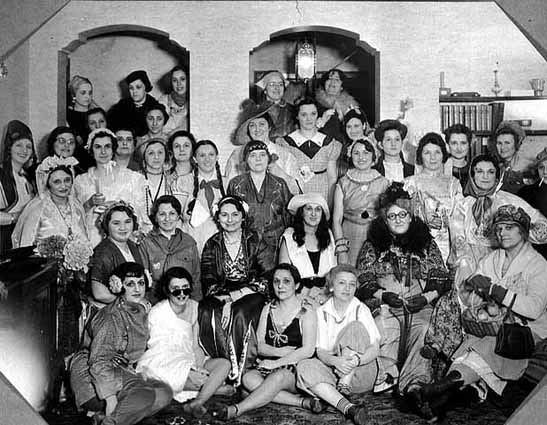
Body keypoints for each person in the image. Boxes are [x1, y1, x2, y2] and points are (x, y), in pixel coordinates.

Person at [418, 205, 547, 420]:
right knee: (475, 342)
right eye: (499, 229)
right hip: (491, 324)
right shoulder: (492, 259)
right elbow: (471, 291)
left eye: (509, 228)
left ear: (523, 231)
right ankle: (447, 396)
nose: (502, 233)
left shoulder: (539, 265)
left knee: (486, 344)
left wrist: (495, 291)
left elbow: (534, 309)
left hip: (527, 331)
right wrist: (476, 299)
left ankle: (443, 386)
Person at [356, 182, 448, 407]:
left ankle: (414, 385)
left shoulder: (427, 243)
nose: (398, 220)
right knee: (382, 326)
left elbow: (442, 277)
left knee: (425, 328)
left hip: (420, 305)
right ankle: (389, 375)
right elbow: (363, 279)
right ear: (384, 220)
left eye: (402, 214)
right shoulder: (372, 245)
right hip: (387, 305)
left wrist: (426, 298)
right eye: (392, 216)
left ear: (411, 216)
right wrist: (382, 295)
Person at [212, 263, 320, 420]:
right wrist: (278, 352)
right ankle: (302, 403)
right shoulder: (268, 308)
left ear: (296, 285)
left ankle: (237, 409)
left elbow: (308, 350)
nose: (280, 286)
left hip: (295, 368)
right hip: (268, 365)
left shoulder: (306, 311)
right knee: (247, 379)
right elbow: (260, 346)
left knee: (275, 379)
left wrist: (276, 363)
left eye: (286, 281)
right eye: (276, 281)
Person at [70, 262, 172, 425]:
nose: (137, 289)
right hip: (91, 379)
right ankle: (111, 421)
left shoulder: (139, 310)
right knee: (144, 395)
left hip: (118, 372)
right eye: (130, 284)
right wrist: (110, 399)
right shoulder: (111, 317)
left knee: (164, 393)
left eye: (141, 283)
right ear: (118, 286)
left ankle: (105, 417)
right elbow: (98, 361)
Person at [136, 267, 232, 417]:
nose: (181, 294)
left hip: (188, 355)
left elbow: (194, 345)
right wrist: (187, 370)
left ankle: (197, 402)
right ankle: (212, 388)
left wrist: (197, 367)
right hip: (164, 359)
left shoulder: (194, 307)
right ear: (167, 291)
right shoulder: (158, 312)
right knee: (199, 379)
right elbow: (158, 348)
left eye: (185, 290)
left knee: (224, 365)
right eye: (176, 290)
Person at [199, 195, 274, 386]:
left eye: (234, 214)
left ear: (243, 216)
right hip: (222, 293)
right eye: (224, 215)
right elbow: (208, 279)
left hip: (251, 292)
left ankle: (240, 369)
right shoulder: (212, 243)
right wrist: (225, 299)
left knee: (239, 312)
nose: (229, 220)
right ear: (218, 218)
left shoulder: (256, 240)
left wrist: (235, 297)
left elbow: (267, 276)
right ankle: (220, 367)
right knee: (207, 310)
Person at [296, 265, 380, 425]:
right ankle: (348, 407)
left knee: (355, 327)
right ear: (332, 286)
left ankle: (344, 383)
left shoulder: (361, 309)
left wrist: (356, 361)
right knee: (304, 366)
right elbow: (320, 351)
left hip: (361, 372)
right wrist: (336, 362)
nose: (347, 288)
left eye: (352, 284)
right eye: (342, 283)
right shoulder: (321, 312)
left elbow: (375, 349)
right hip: (333, 371)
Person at [449, 154, 547, 273]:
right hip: (470, 264)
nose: (485, 177)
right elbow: (457, 240)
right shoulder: (462, 205)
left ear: (497, 176)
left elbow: (542, 225)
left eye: (490, 172)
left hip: (504, 265)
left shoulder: (509, 200)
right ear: (472, 175)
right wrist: (464, 267)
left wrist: (519, 231)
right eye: (479, 171)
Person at [73, 129, 147, 246]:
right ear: (91, 150)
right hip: (93, 240)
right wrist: (90, 203)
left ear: (113, 149)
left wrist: (119, 206)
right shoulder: (81, 181)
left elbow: (141, 213)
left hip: (125, 238)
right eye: (98, 147)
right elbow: (74, 215)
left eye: (107, 146)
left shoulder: (134, 178)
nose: (103, 151)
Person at [227, 140, 292, 262]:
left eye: (262, 155)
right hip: (244, 245)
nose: (258, 159)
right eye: (253, 155)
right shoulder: (236, 185)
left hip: (275, 246)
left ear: (268, 159)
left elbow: (288, 217)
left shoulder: (280, 184)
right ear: (246, 160)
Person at [404, 132, 462, 263]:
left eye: (437, 152)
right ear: (420, 156)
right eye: (427, 153)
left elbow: (458, 221)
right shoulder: (409, 183)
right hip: (416, 246)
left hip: (446, 247)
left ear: (443, 155)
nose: (433, 157)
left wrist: (455, 252)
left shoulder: (453, 184)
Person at [332, 138, 389, 266]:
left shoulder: (384, 183)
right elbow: (336, 219)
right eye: (356, 153)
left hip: (375, 234)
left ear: (374, 156)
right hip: (350, 234)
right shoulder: (343, 182)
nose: (361, 157)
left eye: (366, 153)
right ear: (350, 156)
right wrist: (341, 249)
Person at [276, 98, 342, 204]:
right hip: (297, 196)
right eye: (304, 115)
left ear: (317, 115)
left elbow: (332, 178)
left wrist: (329, 205)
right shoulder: (286, 143)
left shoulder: (328, 143)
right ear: (297, 116)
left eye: (313, 114)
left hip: (322, 195)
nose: (309, 119)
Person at [279, 193, 336, 308]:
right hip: (298, 295)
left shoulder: (328, 235)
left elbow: (335, 271)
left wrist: (325, 293)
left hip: (325, 295)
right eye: (309, 209)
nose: (314, 214)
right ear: (301, 212)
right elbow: (283, 275)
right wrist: (307, 293)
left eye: (318, 209)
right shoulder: (289, 236)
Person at [139, 195, 201, 302]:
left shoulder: (188, 242)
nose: (167, 219)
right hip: (156, 302)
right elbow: (142, 280)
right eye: (162, 214)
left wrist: (196, 305)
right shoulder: (146, 243)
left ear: (178, 216)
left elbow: (196, 278)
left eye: (172, 213)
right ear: (155, 217)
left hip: (184, 301)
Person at [12, 161, 88, 248]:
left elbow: (85, 241)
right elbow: (25, 244)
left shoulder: (76, 207)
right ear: (48, 184)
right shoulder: (38, 210)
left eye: (67, 180)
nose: (63, 186)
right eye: (57, 182)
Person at [227, 101, 298, 193]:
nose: (257, 129)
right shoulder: (237, 154)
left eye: (262, 124)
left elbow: (296, 190)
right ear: (248, 130)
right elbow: (229, 186)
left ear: (269, 127)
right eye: (252, 125)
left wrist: (278, 171)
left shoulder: (284, 154)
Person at [170, 139, 226, 253]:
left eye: (211, 154)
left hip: (221, 242)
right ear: (195, 159)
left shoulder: (226, 183)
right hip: (191, 241)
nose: (207, 159)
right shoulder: (182, 182)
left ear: (217, 157)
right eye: (202, 155)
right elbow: (176, 216)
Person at [88, 202, 145, 309]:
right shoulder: (103, 251)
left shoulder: (132, 246)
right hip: (112, 312)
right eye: (116, 223)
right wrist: (128, 303)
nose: (123, 227)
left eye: (127, 222)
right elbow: (99, 293)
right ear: (106, 226)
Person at [0, 120, 36, 253]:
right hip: (3, 241)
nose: (24, 150)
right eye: (18, 145)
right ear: (9, 148)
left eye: (28, 146)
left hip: (24, 240)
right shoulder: (1, 175)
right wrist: (16, 217)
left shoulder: (28, 178)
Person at [108, 70, 161, 137]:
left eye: (138, 87)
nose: (134, 91)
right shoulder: (122, 105)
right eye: (131, 88)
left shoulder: (154, 105)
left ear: (145, 87)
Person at [315, 69, 359, 143]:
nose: (332, 82)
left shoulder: (351, 105)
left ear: (342, 87)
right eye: (329, 79)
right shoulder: (315, 104)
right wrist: (321, 121)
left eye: (337, 79)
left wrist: (342, 118)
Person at [489, 120, 528, 194]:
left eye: (507, 143)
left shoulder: (527, 167)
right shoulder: (495, 166)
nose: (503, 148)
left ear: (517, 144)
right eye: (499, 143)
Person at [254, 70, 296, 140]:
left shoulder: (293, 110)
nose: (277, 88)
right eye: (272, 84)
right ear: (264, 90)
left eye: (280, 84)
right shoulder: (255, 111)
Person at [141, 139, 171, 232]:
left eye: (160, 152)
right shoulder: (135, 180)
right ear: (144, 156)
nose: (156, 157)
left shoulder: (172, 181)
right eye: (151, 153)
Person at [66, 75, 99, 145]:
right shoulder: (68, 115)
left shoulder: (97, 113)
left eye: (90, 93)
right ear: (73, 95)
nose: (88, 96)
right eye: (83, 93)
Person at [339, 108, 371, 177]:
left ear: (364, 125)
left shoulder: (372, 147)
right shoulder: (344, 149)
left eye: (356, 126)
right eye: (349, 127)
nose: (353, 130)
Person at [158, 65, 189, 134]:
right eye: (175, 80)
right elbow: (160, 128)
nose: (179, 84)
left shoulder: (194, 100)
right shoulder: (164, 100)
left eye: (182, 79)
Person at [443, 124, 472, 189]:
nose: (459, 148)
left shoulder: (475, 169)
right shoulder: (440, 169)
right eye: (454, 143)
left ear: (469, 145)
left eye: (463, 143)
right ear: (447, 145)